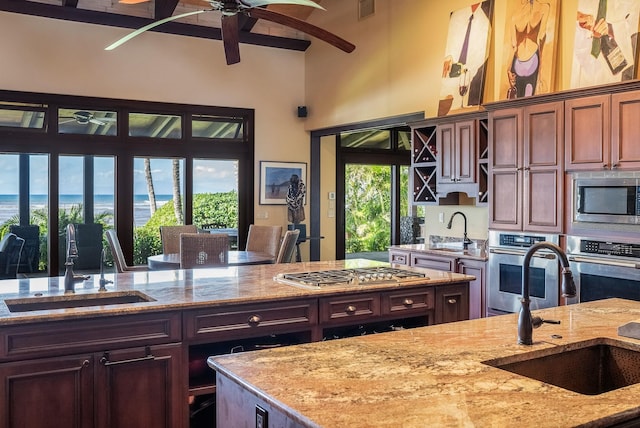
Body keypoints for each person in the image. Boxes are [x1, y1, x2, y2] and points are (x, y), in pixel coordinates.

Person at [438, 1, 492, 116]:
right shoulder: (456, 16)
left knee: (458, 113)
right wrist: (448, 57)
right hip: (446, 77)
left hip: (464, 80)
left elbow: (482, 55)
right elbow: (446, 43)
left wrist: (466, 71)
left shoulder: (484, 23)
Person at [571, 0, 638, 88]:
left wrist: (609, 29)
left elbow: (634, 28)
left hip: (614, 77)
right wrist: (578, 16)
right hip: (581, 75)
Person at [506, 0, 552, 98]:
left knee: (518, 102)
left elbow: (513, 45)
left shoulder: (515, 15)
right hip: (532, 60)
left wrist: (508, 70)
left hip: (518, 61)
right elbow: (541, 40)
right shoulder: (544, 8)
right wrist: (540, 73)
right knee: (528, 102)